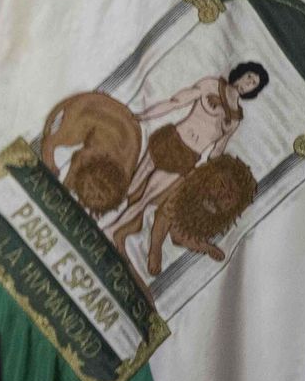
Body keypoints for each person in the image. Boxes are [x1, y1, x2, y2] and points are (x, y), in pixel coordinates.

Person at [103, 62, 268, 246]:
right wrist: (143, 116)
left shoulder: (235, 118)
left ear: (253, 90)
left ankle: (111, 230)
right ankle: (101, 214)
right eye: (249, 77)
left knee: (145, 199)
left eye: (254, 83)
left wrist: (207, 176)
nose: (249, 82)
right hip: (171, 139)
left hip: (187, 158)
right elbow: (176, 102)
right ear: (241, 73)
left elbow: (217, 150)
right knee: (131, 187)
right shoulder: (211, 85)